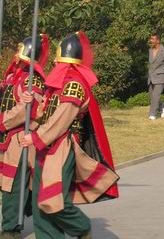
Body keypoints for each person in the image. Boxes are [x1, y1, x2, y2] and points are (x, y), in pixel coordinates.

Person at [19, 32, 119, 239]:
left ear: (63, 56)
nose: (53, 60)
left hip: (61, 147)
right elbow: (44, 112)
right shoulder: (57, 84)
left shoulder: (74, 84)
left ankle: (81, 227)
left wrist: (36, 138)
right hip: (43, 147)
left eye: (56, 56)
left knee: (53, 199)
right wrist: (31, 101)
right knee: (39, 201)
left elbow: (61, 119)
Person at [0, 36, 48, 238]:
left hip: (19, 139)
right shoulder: (14, 76)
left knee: (13, 186)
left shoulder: (31, 79)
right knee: (7, 184)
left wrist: (2, 121)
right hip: (6, 138)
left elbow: (26, 110)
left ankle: (11, 229)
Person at [148, 33, 164, 121]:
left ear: (158, 40)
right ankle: (162, 106)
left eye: (152, 39)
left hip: (160, 77)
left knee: (155, 96)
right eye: (150, 39)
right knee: (151, 96)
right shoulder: (150, 50)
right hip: (151, 77)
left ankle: (152, 114)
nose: (151, 41)